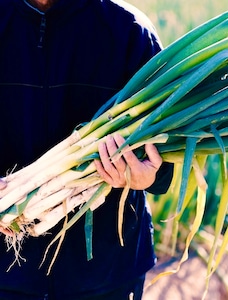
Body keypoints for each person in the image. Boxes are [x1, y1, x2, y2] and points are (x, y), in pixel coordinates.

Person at [0, 0, 173, 299]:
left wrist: (146, 176)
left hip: (106, 277)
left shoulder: (130, 32)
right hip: (7, 278)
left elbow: (168, 155)